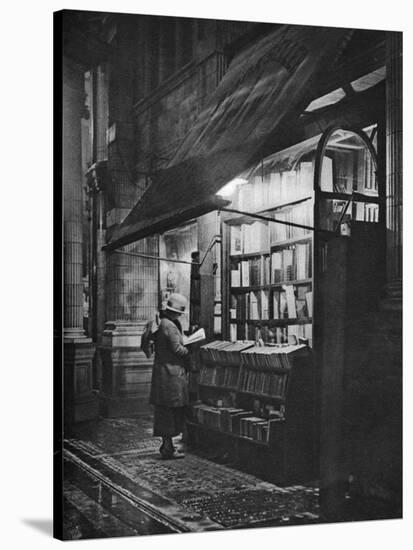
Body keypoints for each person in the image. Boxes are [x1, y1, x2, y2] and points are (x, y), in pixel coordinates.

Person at [149, 293, 191, 459]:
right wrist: (190, 349)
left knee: (164, 412)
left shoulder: (162, 322)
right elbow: (177, 349)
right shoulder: (170, 326)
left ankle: (167, 446)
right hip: (171, 374)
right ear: (176, 312)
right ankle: (168, 447)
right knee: (171, 411)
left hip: (163, 373)